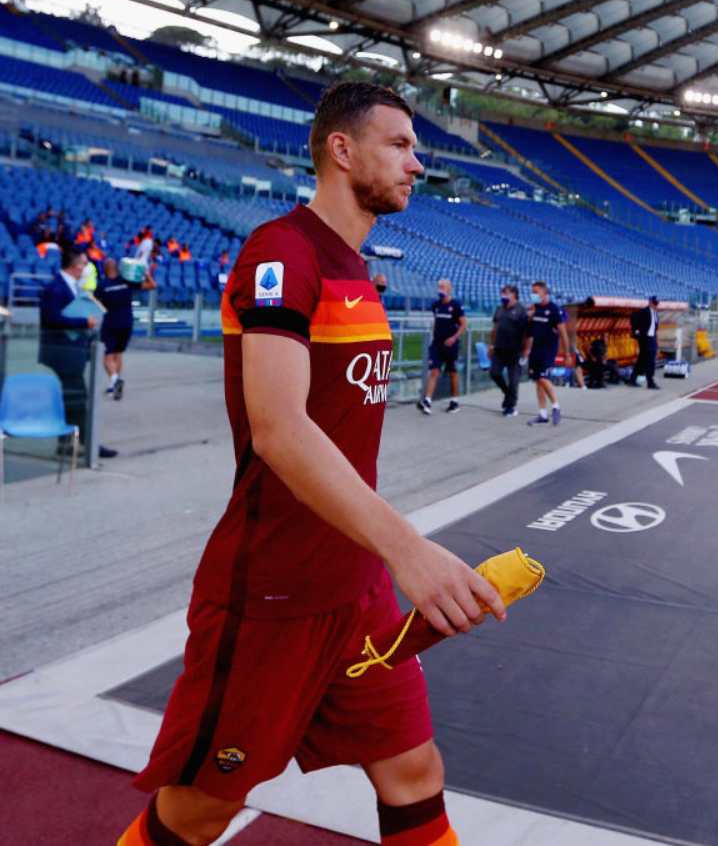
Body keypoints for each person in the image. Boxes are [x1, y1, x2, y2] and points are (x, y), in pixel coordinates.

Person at [120, 82, 505, 846]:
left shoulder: (358, 269)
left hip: (353, 589)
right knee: (203, 806)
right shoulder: (282, 253)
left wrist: (381, 558)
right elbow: (280, 430)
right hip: (273, 593)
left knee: (413, 771)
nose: (417, 164)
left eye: (416, 149)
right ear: (341, 149)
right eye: (399, 145)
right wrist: (410, 551)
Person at [38, 247, 116, 458]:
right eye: (83, 264)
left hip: (72, 351)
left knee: (72, 398)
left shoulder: (71, 286)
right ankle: (88, 445)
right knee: (78, 399)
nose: (86, 268)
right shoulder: (56, 287)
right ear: (74, 265)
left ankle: (66, 443)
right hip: (62, 353)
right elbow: (51, 319)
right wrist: (84, 321)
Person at [95, 257, 155, 400]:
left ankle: (115, 380)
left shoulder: (102, 286)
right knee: (118, 354)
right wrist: (145, 273)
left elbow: (97, 305)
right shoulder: (126, 282)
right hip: (127, 323)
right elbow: (152, 285)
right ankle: (113, 386)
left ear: (104, 269)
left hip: (110, 323)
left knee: (108, 356)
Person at [418, 278, 465, 415]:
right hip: (437, 344)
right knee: (434, 371)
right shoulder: (436, 305)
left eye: (443, 287)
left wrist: (454, 338)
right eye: (439, 287)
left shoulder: (456, 305)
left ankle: (455, 401)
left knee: (452, 372)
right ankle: (427, 400)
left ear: (449, 288)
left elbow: (463, 324)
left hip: (451, 345)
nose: (441, 289)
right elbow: (436, 322)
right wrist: (434, 337)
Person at [524, 280, 568, 425]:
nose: (533, 295)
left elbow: (563, 332)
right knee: (538, 380)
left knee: (543, 378)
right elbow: (529, 331)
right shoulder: (534, 308)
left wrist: (567, 353)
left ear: (544, 293)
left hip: (548, 350)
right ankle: (542, 414)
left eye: (536, 292)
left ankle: (556, 406)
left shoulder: (554, 309)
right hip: (535, 349)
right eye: (532, 292)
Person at [489, 283, 526, 416]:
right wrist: (491, 345)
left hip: (515, 351)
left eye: (506, 293)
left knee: (513, 380)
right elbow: (494, 329)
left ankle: (510, 406)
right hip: (499, 349)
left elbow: (527, 333)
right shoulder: (499, 309)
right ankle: (507, 394)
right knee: (494, 373)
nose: (503, 295)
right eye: (502, 293)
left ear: (514, 295)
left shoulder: (521, 310)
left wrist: (526, 351)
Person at [628, 295, 661, 389]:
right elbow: (633, 317)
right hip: (645, 339)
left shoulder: (655, 313)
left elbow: (655, 328)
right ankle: (650, 382)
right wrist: (637, 331)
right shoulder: (644, 311)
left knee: (641, 360)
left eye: (656, 303)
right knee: (650, 361)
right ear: (650, 302)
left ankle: (632, 379)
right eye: (654, 303)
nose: (655, 305)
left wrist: (656, 342)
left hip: (652, 338)